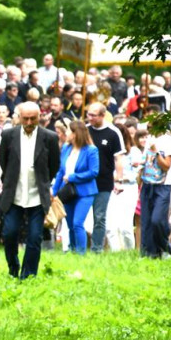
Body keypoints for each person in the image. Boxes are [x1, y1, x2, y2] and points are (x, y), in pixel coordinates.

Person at [0, 102, 60, 279]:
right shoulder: (8, 135)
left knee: (34, 238)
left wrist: (44, 182)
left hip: (37, 196)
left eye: (33, 118)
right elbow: (3, 161)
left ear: (39, 117)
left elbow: (54, 165)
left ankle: (28, 275)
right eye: (25, 118)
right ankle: (13, 267)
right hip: (14, 194)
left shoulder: (50, 137)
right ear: (19, 117)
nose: (29, 122)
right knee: (9, 234)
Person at [52, 120, 100, 254]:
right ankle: (72, 250)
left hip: (85, 192)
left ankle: (81, 253)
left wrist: (73, 177)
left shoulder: (91, 150)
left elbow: (94, 172)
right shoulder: (66, 148)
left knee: (78, 223)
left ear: (75, 133)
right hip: (67, 191)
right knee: (70, 225)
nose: (66, 133)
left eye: (68, 130)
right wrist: (54, 191)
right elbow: (60, 171)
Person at [84, 103, 123, 253]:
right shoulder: (86, 131)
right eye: (88, 114)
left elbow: (118, 158)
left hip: (104, 181)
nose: (90, 118)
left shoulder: (113, 133)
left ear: (102, 116)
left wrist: (118, 180)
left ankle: (97, 248)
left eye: (93, 115)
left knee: (99, 216)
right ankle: (77, 247)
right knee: (79, 215)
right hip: (85, 179)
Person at [140, 131, 171, 258]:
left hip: (163, 186)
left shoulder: (169, 142)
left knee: (157, 220)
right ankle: (149, 252)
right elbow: (147, 162)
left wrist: (155, 151)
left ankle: (164, 247)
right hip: (147, 184)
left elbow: (166, 166)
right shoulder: (149, 139)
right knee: (146, 221)